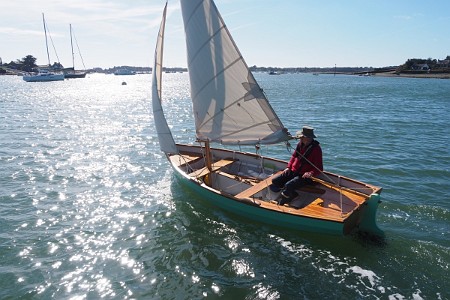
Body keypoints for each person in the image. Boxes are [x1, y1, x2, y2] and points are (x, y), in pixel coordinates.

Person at [269, 126, 323, 205]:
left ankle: (288, 197)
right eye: (306, 137)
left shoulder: (316, 149)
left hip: (304, 176)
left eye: (309, 138)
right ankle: (291, 194)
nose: (308, 139)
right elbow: (294, 156)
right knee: (275, 181)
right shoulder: (300, 144)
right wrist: (288, 167)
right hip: (294, 171)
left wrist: (310, 173)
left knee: (288, 185)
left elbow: (319, 168)